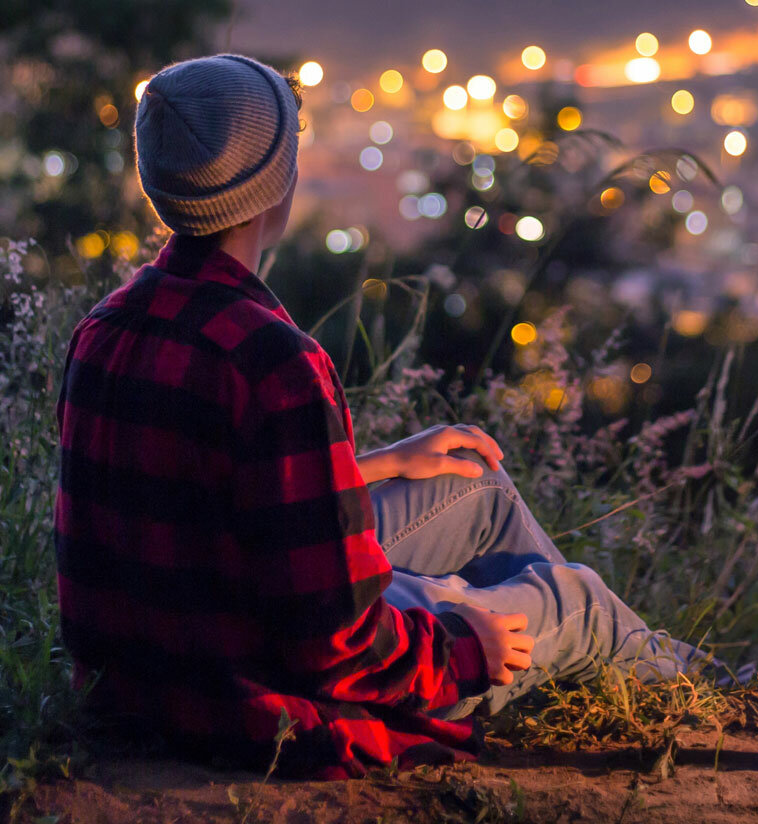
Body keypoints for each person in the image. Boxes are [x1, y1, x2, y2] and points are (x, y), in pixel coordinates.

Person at [54, 53, 716, 781]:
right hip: (248, 697)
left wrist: (380, 464)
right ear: (280, 189)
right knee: (578, 601)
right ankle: (720, 696)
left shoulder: (105, 328)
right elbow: (332, 641)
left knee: (476, 488)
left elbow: (195, 503)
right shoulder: (275, 361)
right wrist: (464, 648)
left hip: (151, 667)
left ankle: (605, 673)